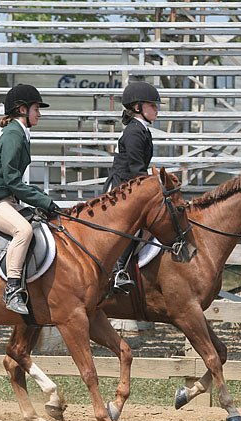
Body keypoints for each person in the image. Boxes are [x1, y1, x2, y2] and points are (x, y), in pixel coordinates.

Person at [0, 84, 59, 315]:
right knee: (23, 231)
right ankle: (13, 289)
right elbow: (11, 180)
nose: (40, 113)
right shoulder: (13, 135)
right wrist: (44, 201)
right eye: (36, 108)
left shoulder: (19, 133)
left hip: (4, 198)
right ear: (21, 109)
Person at [104, 80, 160, 293]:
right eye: (152, 105)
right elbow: (137, 169)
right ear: (138, 108)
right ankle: (119, 270)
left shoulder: (141, 129)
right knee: (135, 222)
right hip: (121, 189)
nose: (156, 109)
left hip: (130, 186)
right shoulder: (135, 132)